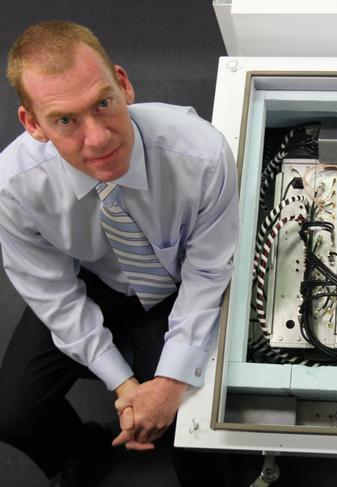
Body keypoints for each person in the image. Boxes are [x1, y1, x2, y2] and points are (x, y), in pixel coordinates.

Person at [0, 20, 239, 486]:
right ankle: (83, 451)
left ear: (123, 84)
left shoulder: (203, 155)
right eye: (65, 120)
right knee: (11, 414)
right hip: (95, 278)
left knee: (191, 433)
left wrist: (168, 384)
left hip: (175, 285)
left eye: (103, 103)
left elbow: (208, 274)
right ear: (33, 125)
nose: (99, 138)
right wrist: (126, 386)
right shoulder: (13, 187)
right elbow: (52, 294)